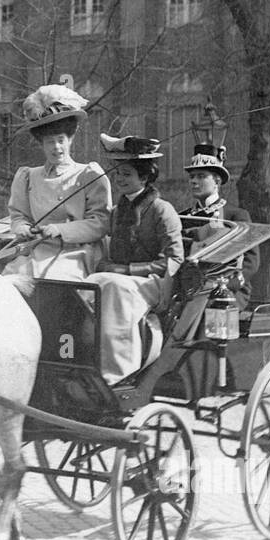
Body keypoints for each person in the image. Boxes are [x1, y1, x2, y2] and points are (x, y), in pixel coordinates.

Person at [89, 134, 184, 383]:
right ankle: (90, 363)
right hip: (121, 278)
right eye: (118, 173)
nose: (119, 179)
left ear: (144, 177)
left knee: (115, 287)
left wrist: (127, 270)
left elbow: (174, 260)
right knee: (92, 283)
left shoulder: (162, 210)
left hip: (157, 282)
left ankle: (121, 370)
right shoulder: (117, 212)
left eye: (127, 174)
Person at [2, 85, 111, 296]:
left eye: (60, 140)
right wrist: (22, 228)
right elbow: (18, 216)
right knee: (9, 280)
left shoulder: (88, 175)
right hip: (37, 250)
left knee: (56, 284)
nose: (56, 148)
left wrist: (61, 230)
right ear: (41, 144)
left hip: (76, 252)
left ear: (70, 139)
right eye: (49, 142)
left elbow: (100, 223)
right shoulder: (28, 177)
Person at [179, 143, 258, 307]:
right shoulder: (183, 217)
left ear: (217, 181)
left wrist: (226, 285)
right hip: (188, 287)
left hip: (227, 290)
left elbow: (250, 261)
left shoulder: (235, 216)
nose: (194, 181)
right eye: (191, 177)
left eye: (201, 176)